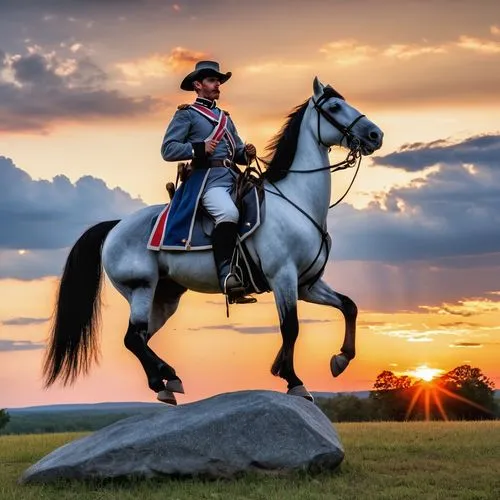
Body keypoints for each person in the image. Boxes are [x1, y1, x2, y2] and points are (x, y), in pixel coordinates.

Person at [161, 60, 257, 301]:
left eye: (218, 81)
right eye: (213, 81)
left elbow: (235, 151)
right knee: (228, 214)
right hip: (208, 181)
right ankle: (227, 276)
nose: (218, 86)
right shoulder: (187, 115)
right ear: (198, 85)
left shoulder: (225, 117)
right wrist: (199, 148)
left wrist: (246, 153)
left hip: (233, 178)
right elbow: (168, 150)